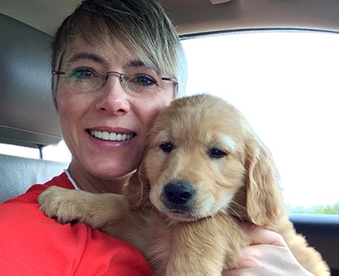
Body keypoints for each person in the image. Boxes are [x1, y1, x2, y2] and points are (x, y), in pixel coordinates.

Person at [0, 0, 315, 275]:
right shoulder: (15, 235)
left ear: (172, 101)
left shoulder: (148, 210)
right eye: (85, 72)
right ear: (54, 91)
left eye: (143, 79)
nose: (114, 100)